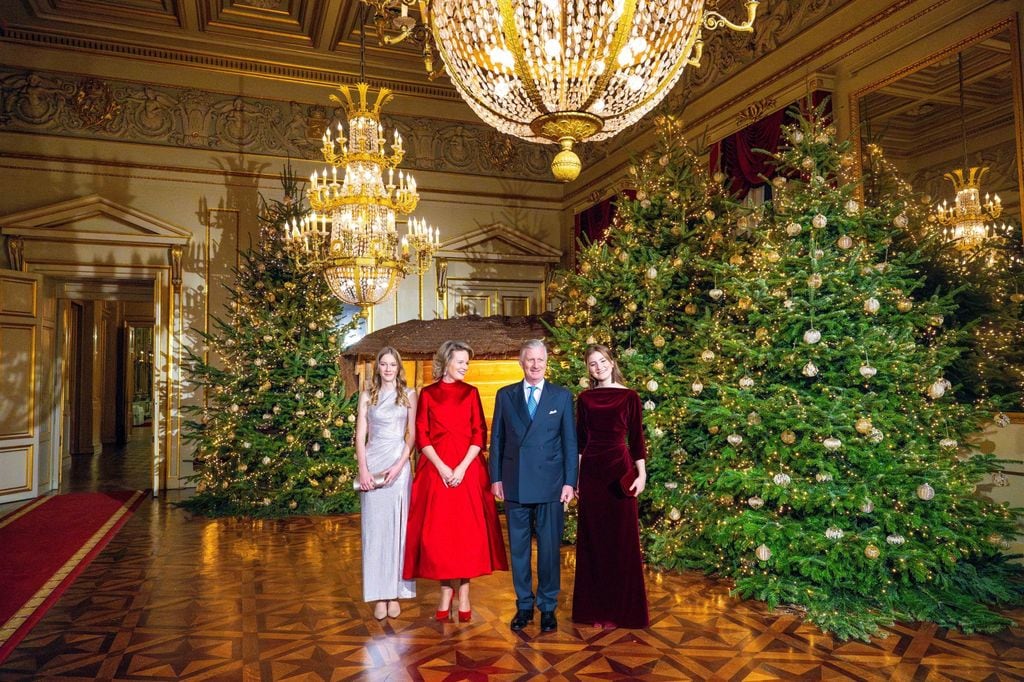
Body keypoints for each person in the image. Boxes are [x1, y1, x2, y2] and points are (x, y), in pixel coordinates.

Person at [403, 340, 508, 622]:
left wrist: (460, 468)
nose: (465, 366)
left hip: (468, 471)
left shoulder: (471, 393)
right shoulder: (428, 394)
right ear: (446, 361)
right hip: (435, 471)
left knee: (465, 537)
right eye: (461, 361)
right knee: (441, 537)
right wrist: (442, 467)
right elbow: (421, 434)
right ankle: (445, 593)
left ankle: (464, 594)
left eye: (467, 362)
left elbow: (478, 433)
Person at [491, 339, 578, 633]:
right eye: (530, 359)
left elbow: (570, 442)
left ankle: (548, 607)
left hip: (551, 484)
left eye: (540, 359)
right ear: (521, 361)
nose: (536, 365)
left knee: (550, 549)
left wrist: (570, 481)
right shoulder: (505, 395)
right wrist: (495, 478)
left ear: (547, 362)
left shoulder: (561, 396)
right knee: (518, 550)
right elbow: (497, 440)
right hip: (514, 483)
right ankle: (524, 606)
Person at [572, 344, 649, 629]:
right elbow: (580, 442)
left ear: (611, 362)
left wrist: (641, 475)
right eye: (592, 364)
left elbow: (637, 439)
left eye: (602, 361)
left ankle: (621, 611)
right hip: (592, 472)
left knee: (621, 542)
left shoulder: (630, 396)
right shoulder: (585, 398)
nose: (598, 367)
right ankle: (595, 609)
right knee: (594, 542)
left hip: (620, 472)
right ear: (588, 369)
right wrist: (577, 477)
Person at [355, 346, 417, 620]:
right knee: (375, 531)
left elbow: (413, 436)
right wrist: (364, 470)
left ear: (398, 367)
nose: (389, 368)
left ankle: (394, 593)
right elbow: (359, 436)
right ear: (378, 367)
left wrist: (400, 464)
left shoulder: (409, 395)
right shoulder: (368, 395)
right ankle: (378, 594)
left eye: (393, 364)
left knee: (398, 531)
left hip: (398, 468)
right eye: (384, 364)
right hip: (374, 463)